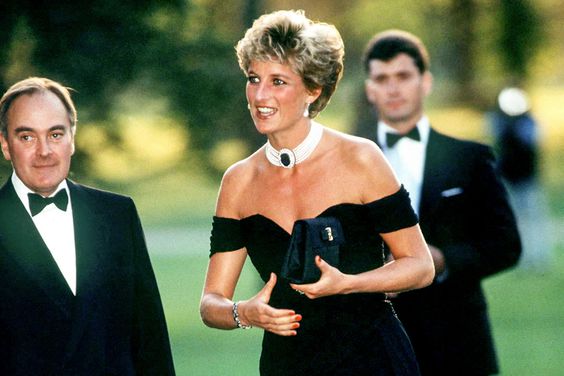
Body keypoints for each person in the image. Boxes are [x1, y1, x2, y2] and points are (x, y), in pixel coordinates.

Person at [200, 10, 435, 376]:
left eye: (278, 81)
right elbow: (211, 303)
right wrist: (244, 312)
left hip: (375, 360)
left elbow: (420, 266)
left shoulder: (361, 159)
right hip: (287, 365)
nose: (260, 94)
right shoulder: (238, 181)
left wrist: (349, 284)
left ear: (313, 89)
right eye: (253, 78)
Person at [362, 30, 522, 375]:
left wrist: (442, 259)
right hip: (373, 344)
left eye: (403, 76)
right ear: (369, 88)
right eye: (382, 78)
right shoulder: (345, 162)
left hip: (457, 344)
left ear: (425, 82)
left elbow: (506, 244)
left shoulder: (470, 158)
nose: (393, 88)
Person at [0, 77, 175, 375]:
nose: (44, 151)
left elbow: (151, 342)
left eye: (55, 134)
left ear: (73, 138)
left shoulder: (118, 215)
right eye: (27, 137)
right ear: (5, 144)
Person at [490, 87, 553, 271]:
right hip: (509, 178)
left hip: (527, 178)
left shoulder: (528, 122)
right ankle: (521, 257)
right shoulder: (499, 121)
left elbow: (529, 142)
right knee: (514, 220)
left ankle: (540, 257)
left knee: (534, 218)